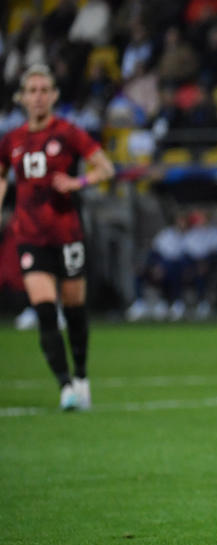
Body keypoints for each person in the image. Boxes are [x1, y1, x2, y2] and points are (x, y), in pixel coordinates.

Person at [0, 64, 115, 410]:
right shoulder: (12, 140)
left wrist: (77, 183)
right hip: (30, 235)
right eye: (31, 91)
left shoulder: (68, 133)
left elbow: (105, 168)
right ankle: (64, 386)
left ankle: (81, 376)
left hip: (67, 234)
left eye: (43, 90)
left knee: (75, 310)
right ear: (22, 98)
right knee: (45, 310)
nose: (38, 97)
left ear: (54, 96)